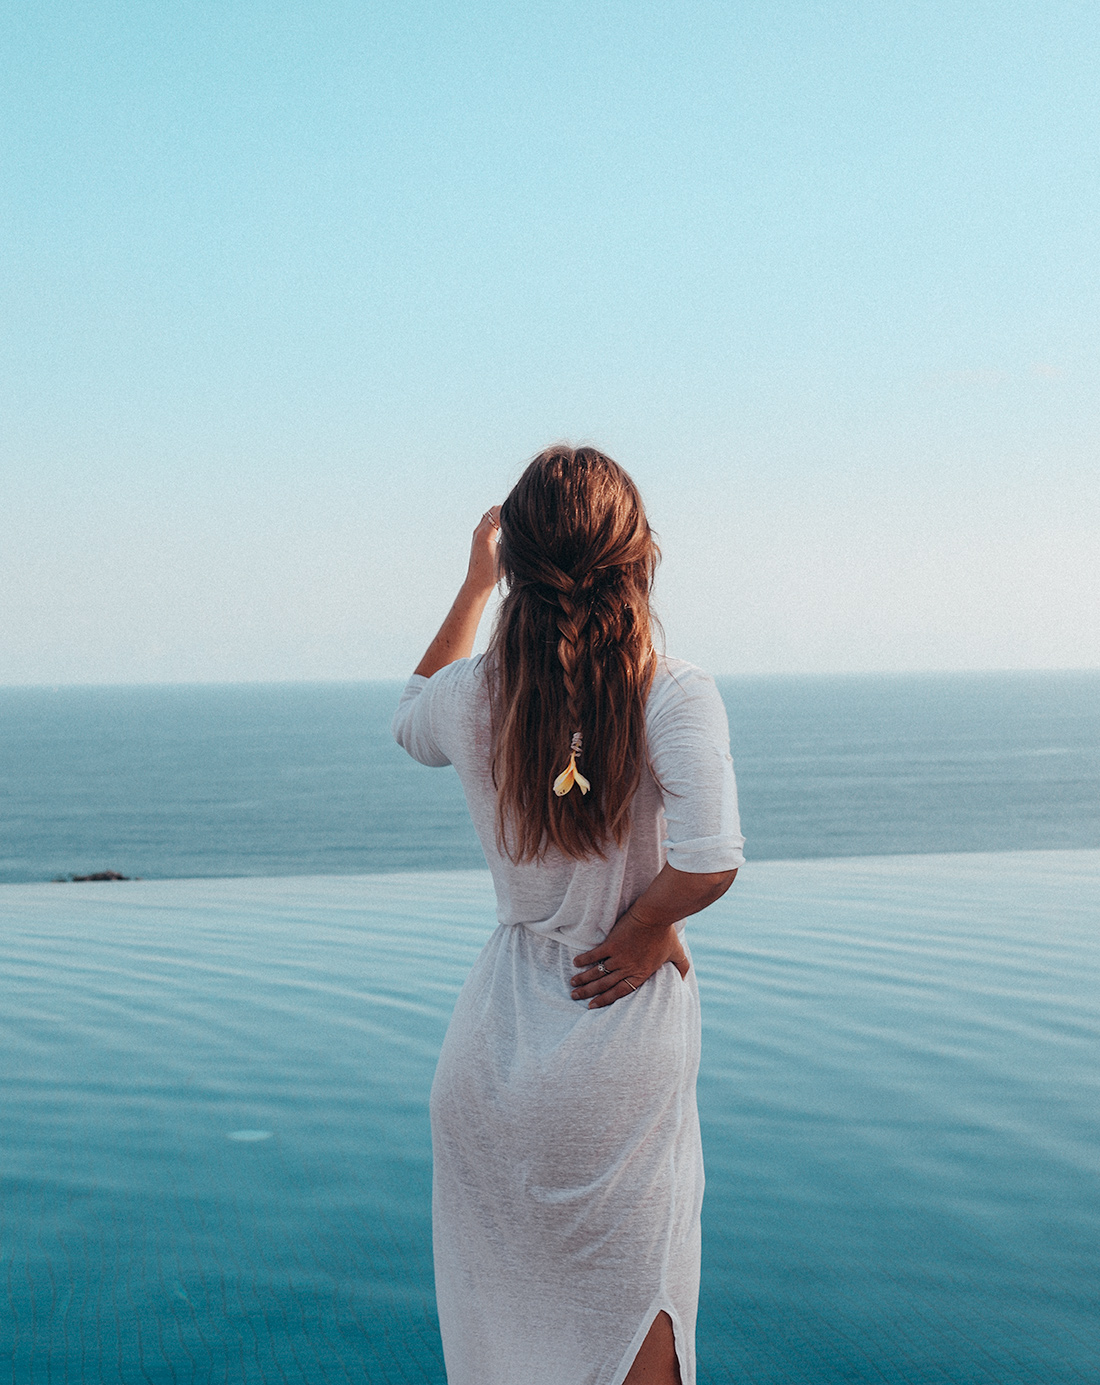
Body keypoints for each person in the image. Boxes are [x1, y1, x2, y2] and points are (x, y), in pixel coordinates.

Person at [392, 446, 744, 1385]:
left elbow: (408, 711)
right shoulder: (670, 692)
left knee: (504, 1350)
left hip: (492, 1052)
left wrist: (472, 585)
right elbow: (711, 858)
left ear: (515, 566)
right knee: (635, 1329)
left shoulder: (473, 696)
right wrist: (641, 929)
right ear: (640, 555)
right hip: (615, 1044)